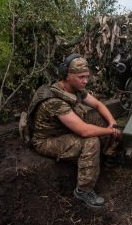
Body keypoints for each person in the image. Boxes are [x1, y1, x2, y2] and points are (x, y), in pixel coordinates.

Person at [30, 54, 121, 208]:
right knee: (91, 141)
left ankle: (106, 157)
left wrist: (112, 123)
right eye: (81, 77)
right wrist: (110, 132)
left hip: (62, 130)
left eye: (87, 76)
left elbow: (98, 105)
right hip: (46, 140)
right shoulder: (55, 101)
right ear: (67, 75)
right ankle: (83, 191)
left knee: (101, 120)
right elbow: (84, 132)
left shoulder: (75, 88)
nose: (85, 81)